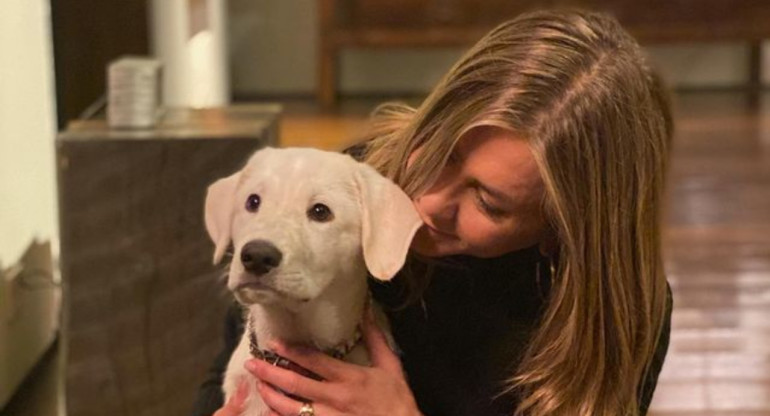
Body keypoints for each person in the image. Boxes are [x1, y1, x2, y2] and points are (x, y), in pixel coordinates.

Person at [192, 9, 673, 416]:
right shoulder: (356, 187)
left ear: (559, 232)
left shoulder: (613, 314)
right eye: (436, 150)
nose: (427, 203)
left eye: (487, 202)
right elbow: (232, 356)